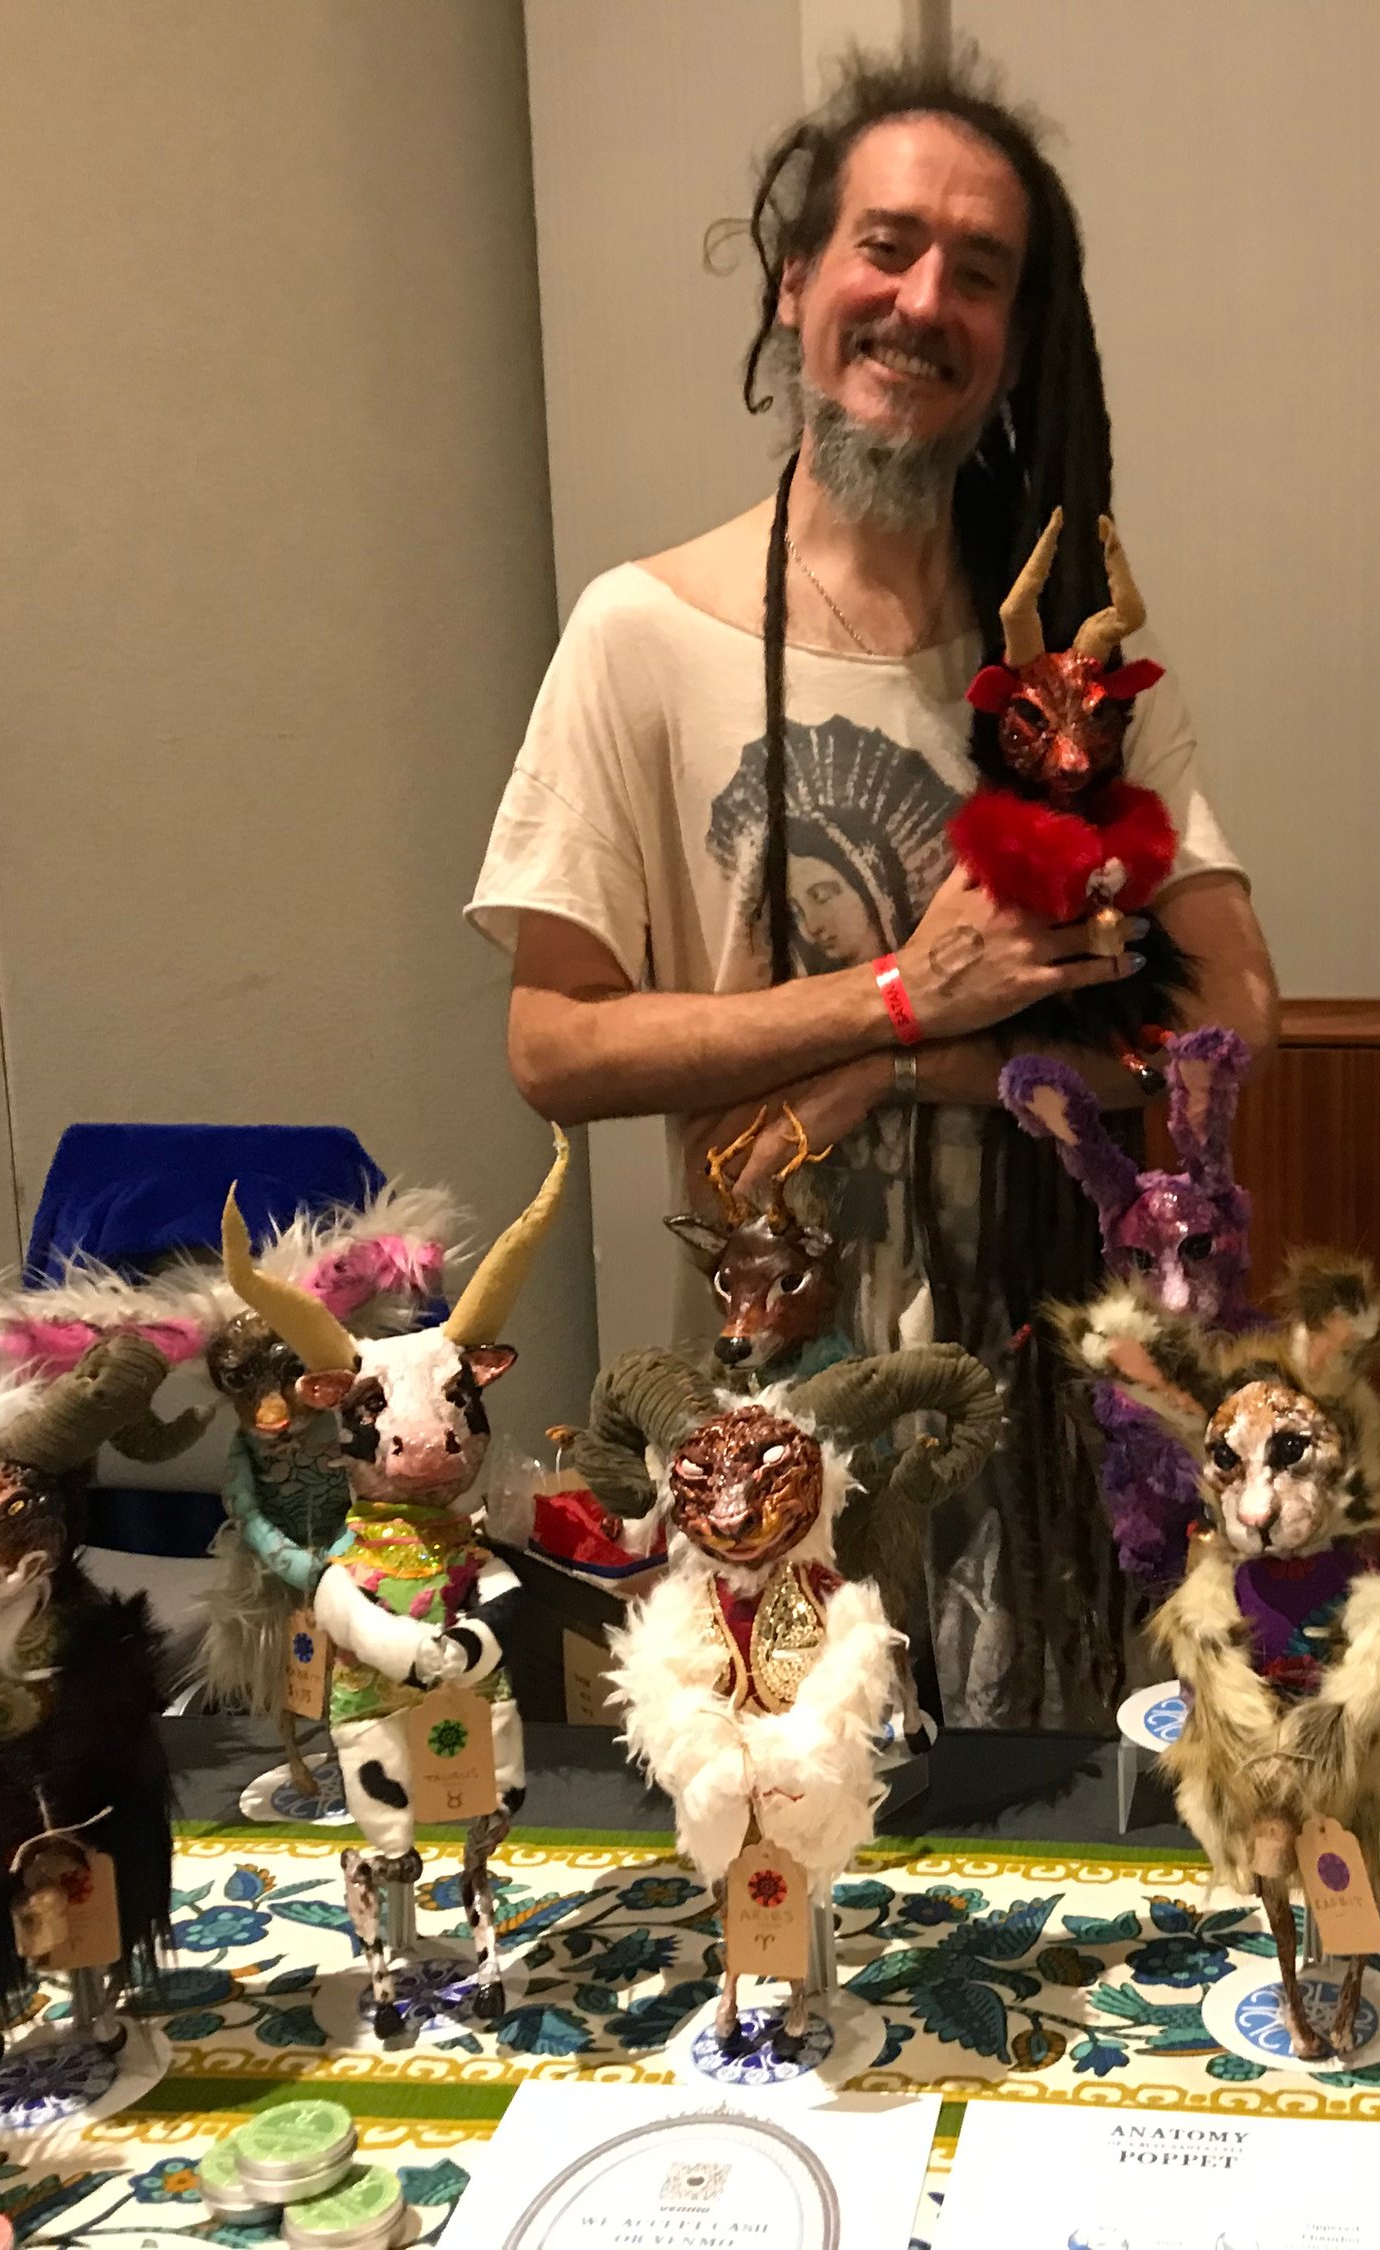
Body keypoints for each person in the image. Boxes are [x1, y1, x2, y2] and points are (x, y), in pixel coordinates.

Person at [468, 46, 1278, 1726]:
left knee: (1050, 1836)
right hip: (769, 1423)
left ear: (1017, 339)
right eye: (887, 249)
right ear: (798, 279)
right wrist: (898, 993)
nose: (924, 303)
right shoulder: (642, 635)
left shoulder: (1072, 673)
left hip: (1057, 1423)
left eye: (978, 274)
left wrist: (905, 1065)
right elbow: (553, 1043)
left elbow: (1237, 1014)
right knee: (781, 1818)